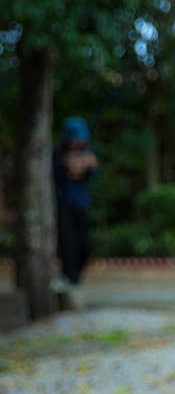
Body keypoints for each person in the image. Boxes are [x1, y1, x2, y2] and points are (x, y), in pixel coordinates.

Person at [53, 116, 98, 289]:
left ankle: (76, 276)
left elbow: (92, 173)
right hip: (63, 204)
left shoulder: (87, 152)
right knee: (68, 243)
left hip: (81, 204)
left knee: (84, 245)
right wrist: (72, 167)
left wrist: (84, 166)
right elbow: (62, 174)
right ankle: (69, 277)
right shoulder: (56, 154)